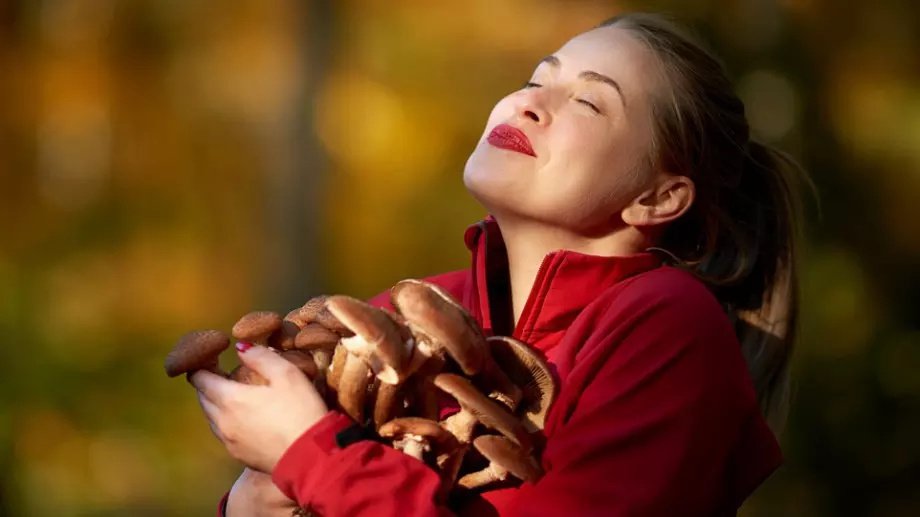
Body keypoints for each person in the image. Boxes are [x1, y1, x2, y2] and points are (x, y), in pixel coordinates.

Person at [189, 11, 810, 517]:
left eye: (590, 104)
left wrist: (311, 456)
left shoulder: (668, 326)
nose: (529, 104)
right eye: (539, 79)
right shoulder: (408, 310)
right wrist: (246, 505)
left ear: (657, 197)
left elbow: (325, 465)